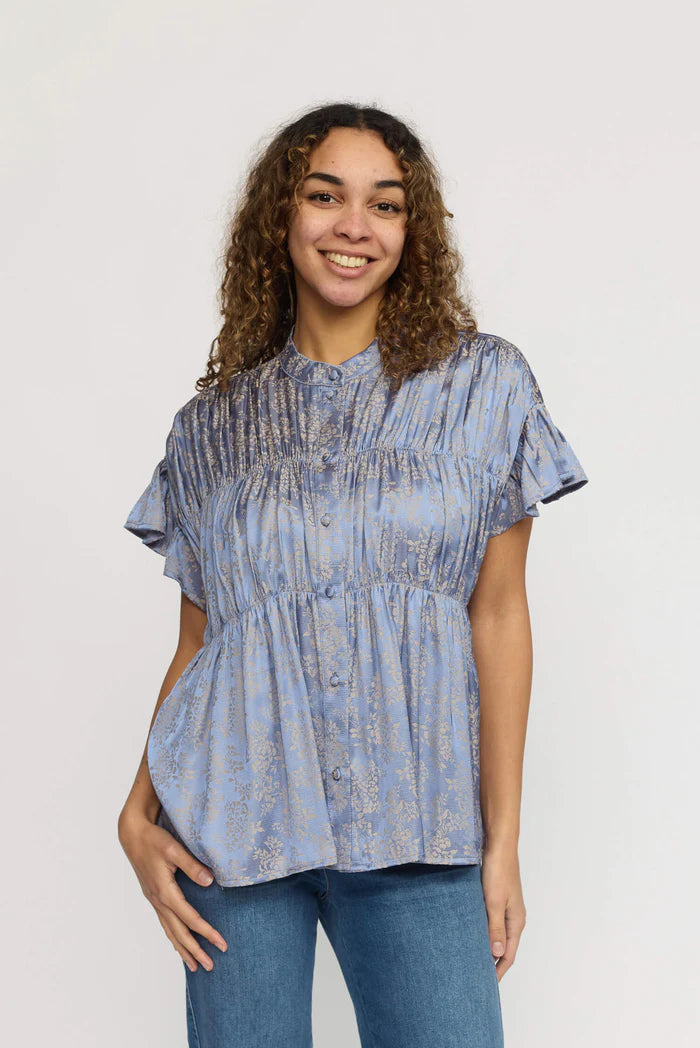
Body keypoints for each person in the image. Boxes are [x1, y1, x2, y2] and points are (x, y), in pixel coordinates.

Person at [118, 102, 588, 1048]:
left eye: (386, 204)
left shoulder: (484, 386)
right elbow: (204, 645)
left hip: (419, 827)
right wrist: (136, 814)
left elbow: (499, 617)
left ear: (413, 232)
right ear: (281, 216)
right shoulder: (210, 429)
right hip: (235, 840)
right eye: (325, 195)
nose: (355, 226)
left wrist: (502, 843)